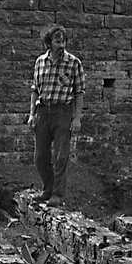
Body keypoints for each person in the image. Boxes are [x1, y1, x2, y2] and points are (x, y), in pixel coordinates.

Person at [26, 24, 84, 205]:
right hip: (43, 111)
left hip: (62, 112)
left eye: (63, 41)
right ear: (49, 43)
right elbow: (35, 89)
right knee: (40, 157)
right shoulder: (40, 62)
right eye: (57, 41)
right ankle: (48, 188)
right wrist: (31, 114)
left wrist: (76, 118)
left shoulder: (74, 63)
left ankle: (58, 194)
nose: (61, 44)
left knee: (61, 155)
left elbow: (79, 92)